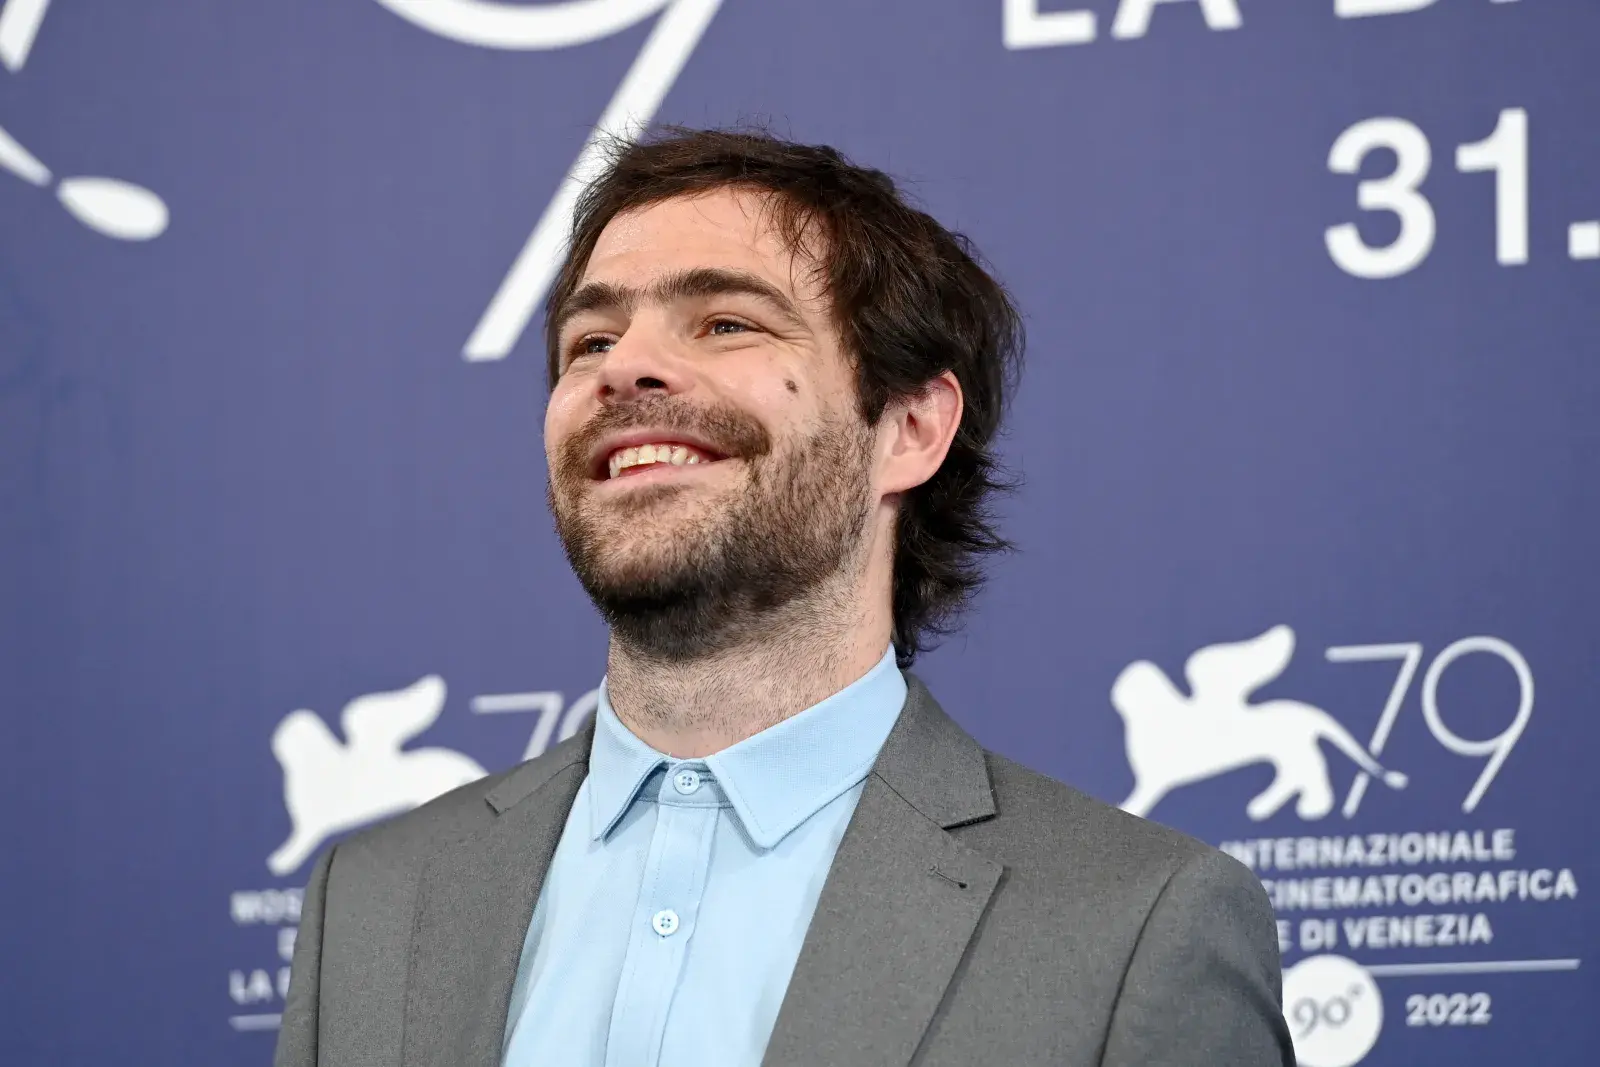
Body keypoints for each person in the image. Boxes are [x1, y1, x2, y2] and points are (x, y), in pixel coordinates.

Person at [274, 128, 1294, 1067]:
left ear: (908, 429)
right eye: (590, 342)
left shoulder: (1137, 925)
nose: (626, 366)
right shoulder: (370, 902)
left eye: (723, 321)